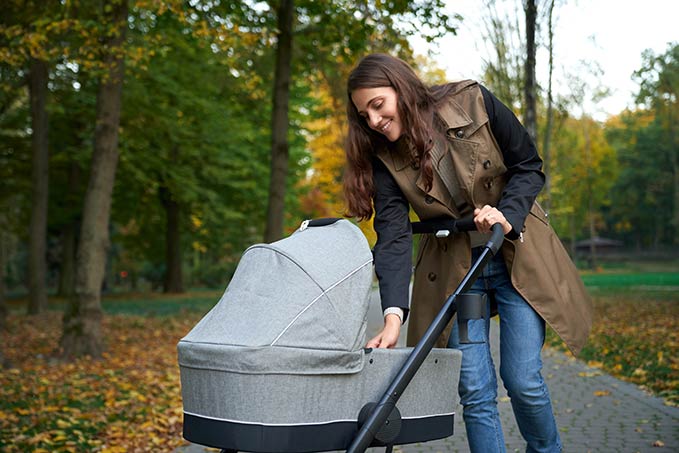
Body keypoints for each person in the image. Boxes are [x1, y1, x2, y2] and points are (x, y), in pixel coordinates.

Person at [343, 53, 592, 453]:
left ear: (401, 89)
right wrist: (393, 317)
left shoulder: (473, 99)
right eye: (363, 115)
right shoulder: (383, 158)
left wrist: (506, 215)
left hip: (515, 257)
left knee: (524, 380)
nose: (373, 121)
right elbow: (392, 236)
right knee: (476, 390)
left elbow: (528, 165)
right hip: (456, 274)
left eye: (378, 105)